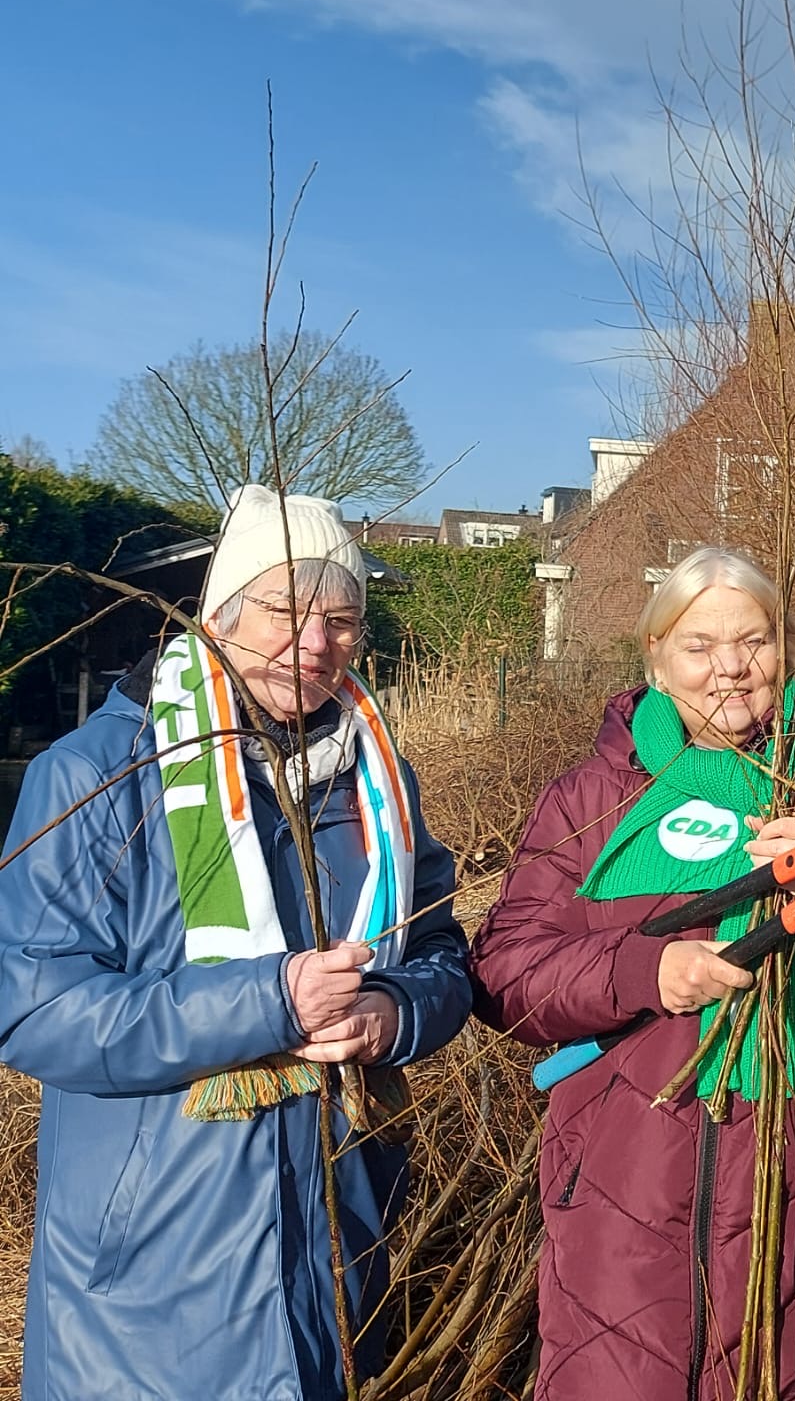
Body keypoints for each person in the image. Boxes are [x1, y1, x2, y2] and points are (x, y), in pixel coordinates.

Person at [470, 544, 795, 1400]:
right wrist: (641, 971)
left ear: (791, 649)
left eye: (755, 641)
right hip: (623, 1187)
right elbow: (507, 973)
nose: (731, 669)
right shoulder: (590, 802)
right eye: (699, 646)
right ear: (657, 661)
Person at [0, 484, 472, 1401]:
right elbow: (36, 1010)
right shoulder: (99, 777)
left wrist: (392, 1013)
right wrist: (268, 1001)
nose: (315, 643)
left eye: (341, 619)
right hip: (150, 1270)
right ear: (220, 615)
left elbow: (443, 954)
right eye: (286, 611)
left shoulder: (375, 785)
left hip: (337, 1242)